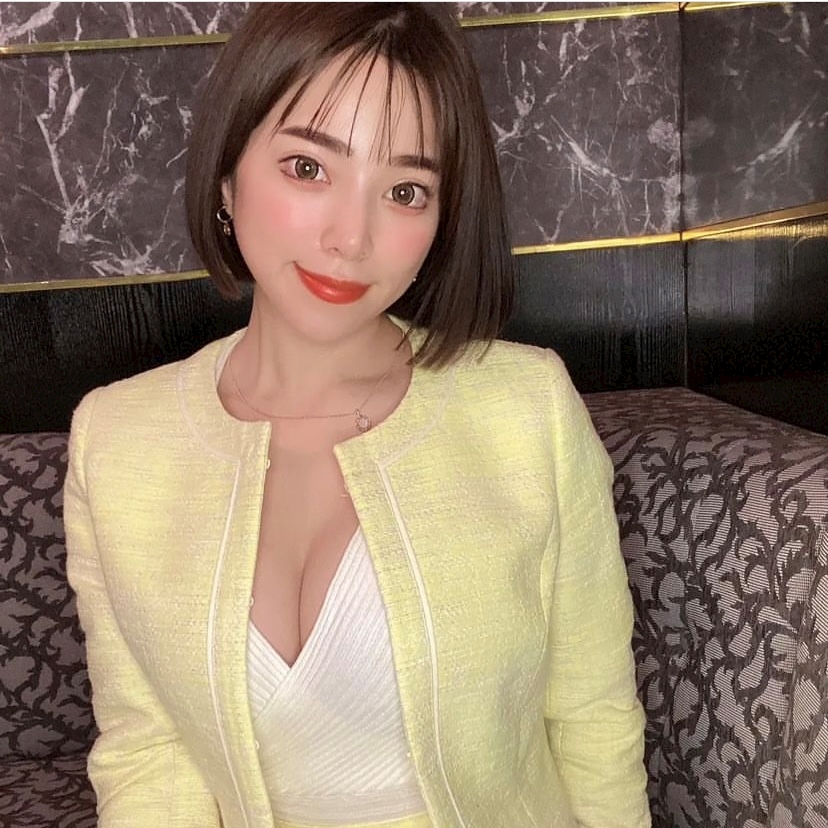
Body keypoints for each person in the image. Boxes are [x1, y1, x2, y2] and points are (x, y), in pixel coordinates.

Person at [64, 4, 651, 827]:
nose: (351, 237)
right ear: (227, 178)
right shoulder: (117, 440)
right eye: (308, 168)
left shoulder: (527, 409)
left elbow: (593, 717)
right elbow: (147, 753)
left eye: (406, 191)